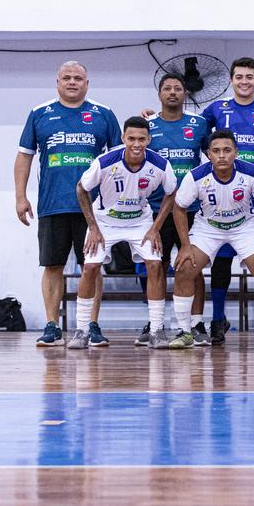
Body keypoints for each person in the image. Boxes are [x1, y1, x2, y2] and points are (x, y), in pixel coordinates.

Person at [15, 61, 120, 347]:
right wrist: (21, 197)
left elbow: (120, 161)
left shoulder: (104, 114)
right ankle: (52, 326)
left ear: (87, 83)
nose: (72, 82)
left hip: (94, 209)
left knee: (92, 266)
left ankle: (91, 326)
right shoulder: (39, 114)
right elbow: (24, 156)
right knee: (52, 265)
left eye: (78, 78)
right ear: (57, 82)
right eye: (66, 78)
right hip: (53, 203)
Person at [75, 117, 178, 349]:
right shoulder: (105, 161)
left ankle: (156, 330)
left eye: (142, 139)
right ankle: (81, 330)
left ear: (149, 140)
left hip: (139, 221)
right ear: (123, 138)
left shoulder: (160, 165)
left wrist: (155, 228)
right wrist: (92, 227)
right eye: (131, 138)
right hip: (104, 222)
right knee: (90, 266)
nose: (136, 144)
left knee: (154, 263)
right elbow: (81, 188)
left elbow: (171, 193)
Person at [171, 130, 254, 349]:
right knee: (184, 268)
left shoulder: (252, 173)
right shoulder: (196, 176)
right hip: (208, 227)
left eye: (227, 150)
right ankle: (185, 331)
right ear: (208, 154)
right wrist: (185, 246)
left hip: (243, 226)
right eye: (216, 151)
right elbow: (179, 207)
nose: (221, 155)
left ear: (236, 153)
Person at [200, 57, 254, 345]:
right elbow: (195, 130)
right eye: (239, 77)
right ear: (232, 80)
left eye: (249, 77)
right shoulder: (217, 109)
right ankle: (218, 319)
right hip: (223, 194)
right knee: (221, 261)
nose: (244, 82)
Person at [136, 73, 210, 346]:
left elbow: (212, 155)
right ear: (159, 94)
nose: (172, 92)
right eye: (167, 88)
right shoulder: (148, 124)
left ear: (185, 94)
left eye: (178, 88)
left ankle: (196, 323)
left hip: (191, 208)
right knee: (155, 266)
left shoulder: (199, 124)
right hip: (156, 207)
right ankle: (155, 324)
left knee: (193, 266)